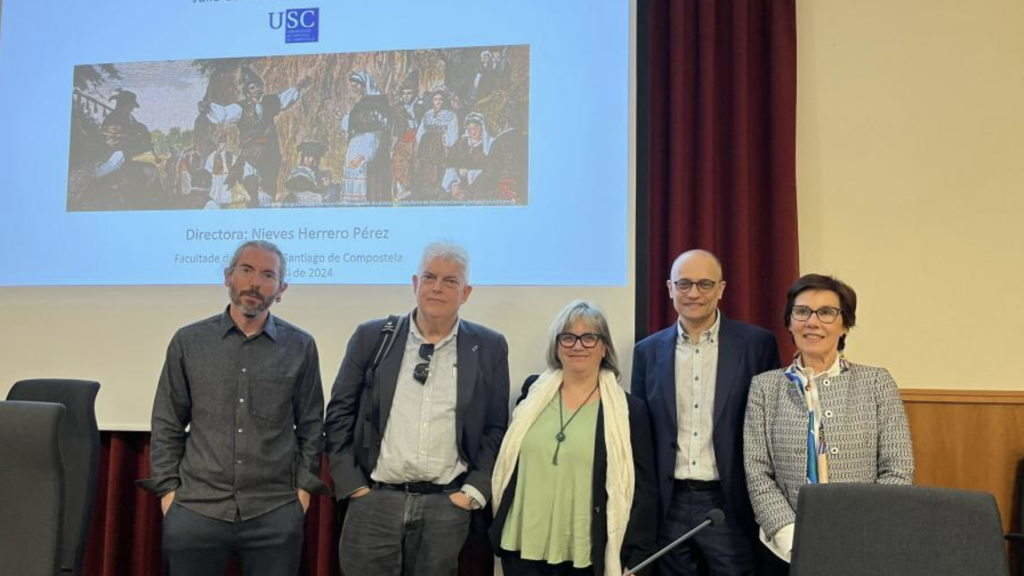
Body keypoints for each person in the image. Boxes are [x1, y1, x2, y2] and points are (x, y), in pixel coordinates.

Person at [140, 240, 326, 576]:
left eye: (268, 274)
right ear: (228, 277)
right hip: (196, 509)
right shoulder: (189, 341)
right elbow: (167, 420)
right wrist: (169, 492)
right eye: (246, 270)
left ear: (281, 289)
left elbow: (312, 425)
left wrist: (302, 492)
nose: (255, 282)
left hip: (274, 511)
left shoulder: (300, 346)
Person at [324, 242, 510, 576]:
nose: (437, 287)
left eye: (450, 281)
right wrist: (353, 485)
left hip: (446, 506)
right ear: (415, 284)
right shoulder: (372, 337)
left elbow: (495, 427)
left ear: (466, 292)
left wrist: (473, 492)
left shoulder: (489, 347)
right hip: (375, 502)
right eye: (430, 277)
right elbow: (339, 413)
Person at [743, 274, 914, 571]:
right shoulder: (765, 387)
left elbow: (898, 469)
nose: (812, 322)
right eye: (802, 311)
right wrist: (790, 536)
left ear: (845, 324)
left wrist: (856, 532)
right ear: (789, 322)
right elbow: (758, 472)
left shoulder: (876, 382)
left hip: (863, 541)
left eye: (826, 313)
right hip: (785, 549)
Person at [631, 249, 780, 576]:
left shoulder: (757, 346)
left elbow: (771, 428)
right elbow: (641, 436)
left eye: (704, 284)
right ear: (669, 288)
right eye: (683, 284)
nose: (694, 293)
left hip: (729, 503)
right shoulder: (647, 352)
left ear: (722, 289)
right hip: (669, 504)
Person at [490, 300, 657, 575]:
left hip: (584, 551)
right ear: (557, 346)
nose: (577, 345)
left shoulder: (629, 411)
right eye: (568, 337)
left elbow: (644, 491)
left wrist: (637, 556)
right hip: (521, 543)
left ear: (604, 347)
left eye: (589, 337)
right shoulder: (533, 392)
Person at [205, 67, 311, 202]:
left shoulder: (271, 102)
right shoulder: (240, 108)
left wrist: (298, 88)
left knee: (268, 188)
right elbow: (224, 114)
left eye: (259, 87)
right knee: (251, 189)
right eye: (253, 88)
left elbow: (285, 99)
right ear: (247, 92)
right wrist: (208, 108)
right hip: (251, 156)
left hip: (271, 153)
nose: (257, 91)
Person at [340, 71, 391, 204]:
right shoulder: (361, 104)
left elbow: (376, 132)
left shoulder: (376, 104)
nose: (354, 89)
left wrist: (364, 155)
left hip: (369, 151)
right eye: (353, 86)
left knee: (371, 189)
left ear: (364, 85)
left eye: (357, 86)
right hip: (356, 147)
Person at [413, 90, 459, 200]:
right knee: (425, 170)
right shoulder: (427, 114)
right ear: (432, 101)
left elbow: (453, 133)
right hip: (426, 146)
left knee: (438, 171)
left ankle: (437, 191)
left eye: (440, 99)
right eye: (435, 99)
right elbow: (421, 131)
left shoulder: (451, 115)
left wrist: (447, 144)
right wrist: (418, 145)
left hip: (440, 147)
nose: (438, 102)